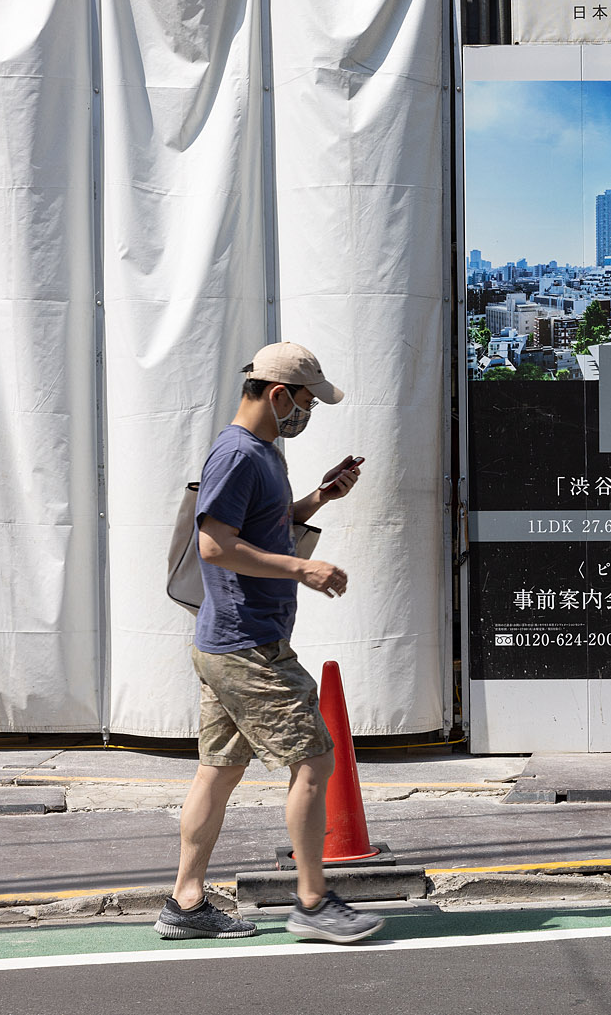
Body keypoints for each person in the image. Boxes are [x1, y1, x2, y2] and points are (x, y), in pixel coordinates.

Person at [157, 341, 385, 945]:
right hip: (248, 645)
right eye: (308, 401)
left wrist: (320, 497)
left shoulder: (262, 453)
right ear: (279, 394)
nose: (309, 413)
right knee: (315, 760)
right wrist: (302, 568)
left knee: (219, 771)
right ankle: (312, 902)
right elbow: (215, 545)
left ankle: (185, 903)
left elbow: (265, 527)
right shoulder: (239, 454)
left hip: (227, 641)